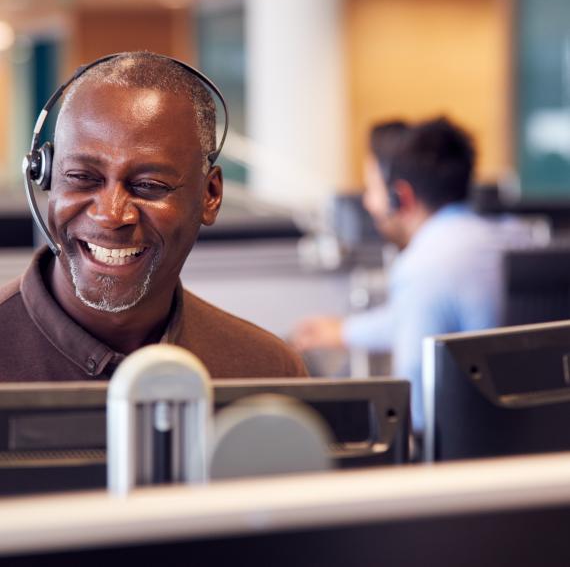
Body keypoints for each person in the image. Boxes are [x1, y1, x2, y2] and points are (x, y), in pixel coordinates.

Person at [0, 51, 307, 381]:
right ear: (44, 175)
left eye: (148, 185)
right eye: (82, 177)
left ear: (210, 195)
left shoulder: (267, 373)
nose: (111, 214)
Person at [292, 117, 532, 430]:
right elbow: (434, 317)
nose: (368, 202)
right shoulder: (517, 237)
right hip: (536, 441)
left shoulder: (423, 266)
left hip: (464, 453)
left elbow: (416, 397)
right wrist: (346, 331)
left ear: (400, 197)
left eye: (372, 189)